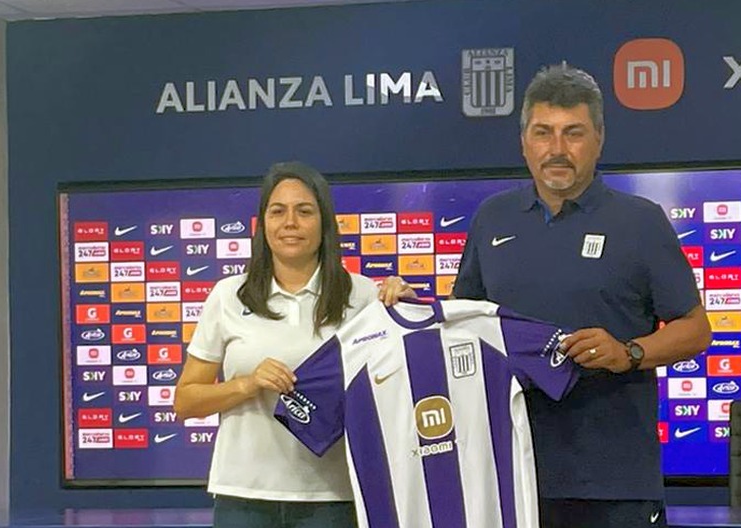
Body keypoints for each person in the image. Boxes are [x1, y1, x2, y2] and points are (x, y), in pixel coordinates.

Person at [452, 64, 713, 527]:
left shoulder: (640, 222)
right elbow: (462, 325)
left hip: (615, 483)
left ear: (598, 139)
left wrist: (628, 352)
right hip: (509, 474)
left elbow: (696, 330)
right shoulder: (492, 219)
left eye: (573, 133)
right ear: (524, 141)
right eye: (543, 132)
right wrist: (408, 306)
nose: (556, 149)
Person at [174, 161, 412, 528]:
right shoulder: (227, 296)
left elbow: (402, 389)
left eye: (304, 211)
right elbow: (186, 401)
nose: (290, 223)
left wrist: (407, 308)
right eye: (278, 211)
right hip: (243, 496)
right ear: (262, 224)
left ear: (324, 222)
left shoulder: (363, 296)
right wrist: (247, 384)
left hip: (332, 498)